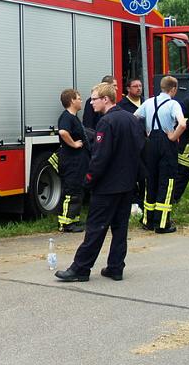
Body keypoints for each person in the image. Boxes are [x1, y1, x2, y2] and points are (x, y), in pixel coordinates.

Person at [55, 82, 145, 282]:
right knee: (120, 229)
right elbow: (140, 148)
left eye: (94, 98)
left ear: (106, 99)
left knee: (95, 228)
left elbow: (100, 156)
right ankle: (115, 267)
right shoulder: (131, 119)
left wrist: (89, 179)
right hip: (127, 185)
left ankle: (80, 269)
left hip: (106, 186)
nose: (91, 102)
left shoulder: (106, 122)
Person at [134, 75, 186, 234]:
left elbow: (134, 117)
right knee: (167, 182)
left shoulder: (149, 102)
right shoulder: (173, 104)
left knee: (151, 180)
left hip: (150, 144)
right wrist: (174, 136)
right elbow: (182, 123)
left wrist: (144, 134)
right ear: (174, 89)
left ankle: (148, 221)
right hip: (166, 143)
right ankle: (163, 223)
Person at [55, 89, 88, 233]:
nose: (81, 100)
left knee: (77, 190)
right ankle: (65, 223)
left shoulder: (74, 117)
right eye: (79, 98)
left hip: (78, 161)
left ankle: (73, 220)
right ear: (72, 101)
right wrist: (74, 144)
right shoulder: (67, 117)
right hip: (71, 161)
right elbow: (63, 132)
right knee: (71, 191)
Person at [117, 78, 145, 215]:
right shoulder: (122, 105)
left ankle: (144, 201)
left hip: (145, 144)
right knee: (132, 174)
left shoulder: (146, 102)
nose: (139, 88)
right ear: (128, 89)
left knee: (144, 173)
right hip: (130, 145)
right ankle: (133, 201)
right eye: (135, 86)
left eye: (140, 86)